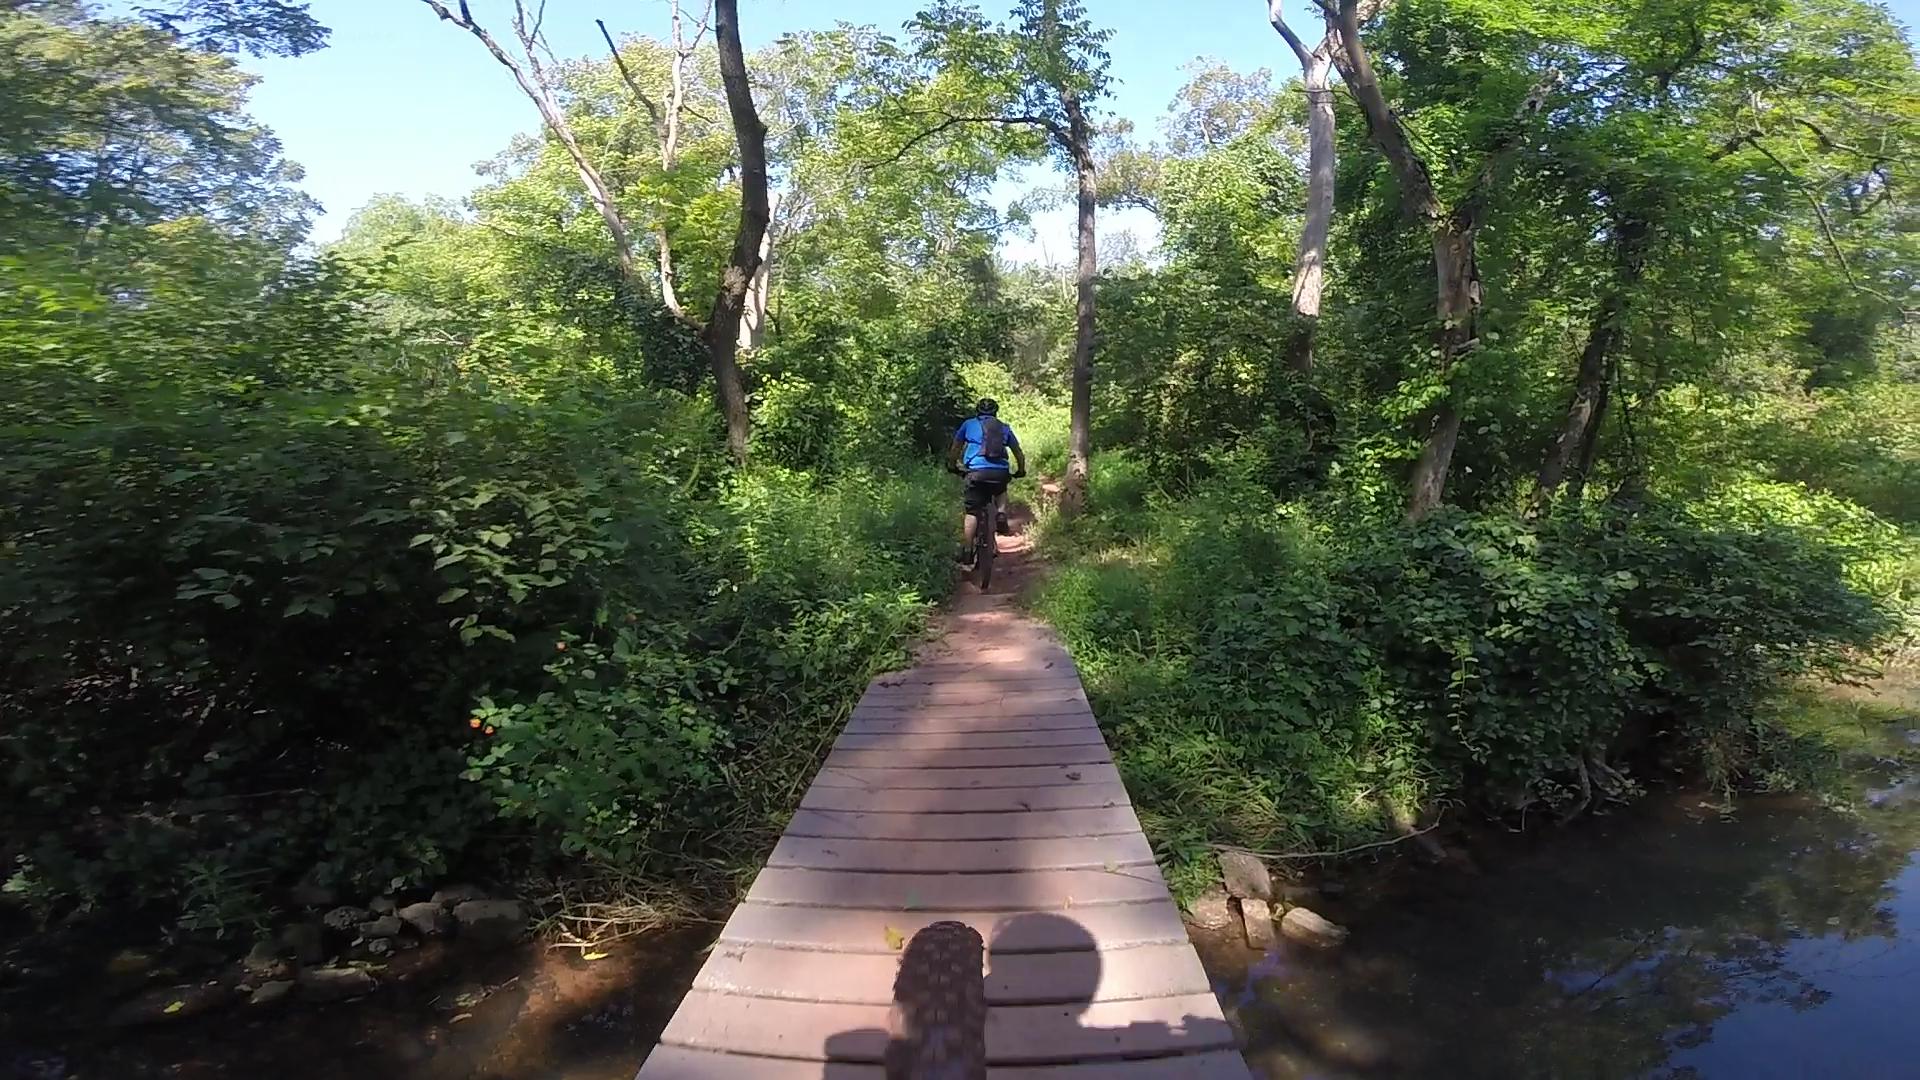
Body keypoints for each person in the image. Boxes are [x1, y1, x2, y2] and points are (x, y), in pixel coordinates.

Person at [948, 398, 1025, 564]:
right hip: (999, 473)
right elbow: (1017, 451)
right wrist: (1021, 470)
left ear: (977, 411)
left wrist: (952, 466)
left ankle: (967, 551)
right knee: (1001, 489)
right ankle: (1001, 513)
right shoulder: (1003, 427)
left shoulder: (968, 424)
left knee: (972, 512)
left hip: (975, 472)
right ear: (995, 413)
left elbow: (956, 447)